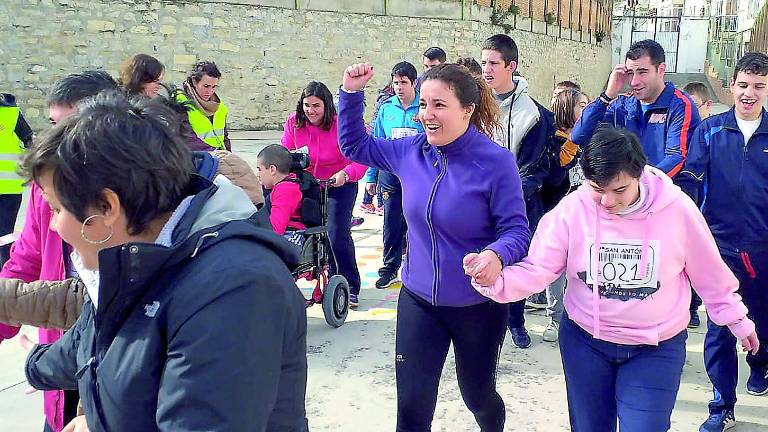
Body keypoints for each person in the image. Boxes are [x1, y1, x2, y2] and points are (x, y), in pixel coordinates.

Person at [23, 91, 309, 431]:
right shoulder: (136, 260)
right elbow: (91, 344)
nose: (54, 225)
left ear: (108, 206)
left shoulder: (234, 289)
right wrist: (35, 365)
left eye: (57, 209)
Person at [467, 126, 759, 432]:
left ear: (639, 174)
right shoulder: (571, 211)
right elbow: (539, 267)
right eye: (597, 188)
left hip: (655, 347)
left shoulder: (676, 209)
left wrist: (737, 319)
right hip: (586, 343)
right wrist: (496, 282)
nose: (607, 201)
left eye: (619, 190)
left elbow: (710, 273)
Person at [338, 62, 530, 431]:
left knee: (478, 396)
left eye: (439, 105)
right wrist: (350, 93)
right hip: (418, 300)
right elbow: (354, 145)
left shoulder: (495, 162)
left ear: (467, 109)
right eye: (424, 104)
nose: (427, 114)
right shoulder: (410, 151)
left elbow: (517, 232)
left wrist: (496, 254)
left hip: (478, 305)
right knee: (411, 407)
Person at [0, 70, 118, 432]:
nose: (61, 141)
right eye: (55, 125)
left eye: (74, 127)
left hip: (113, 367)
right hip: (60, 354)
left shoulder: (136, 194)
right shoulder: (44, 186)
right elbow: (26, 259)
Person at [678, 52, 768, 432]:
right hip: (718, 249)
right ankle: (721, 407)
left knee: (761, 322)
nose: (749, 93)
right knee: (719, 329)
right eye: (744, 85)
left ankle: (761, 363)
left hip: (764, 250)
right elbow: (691, 181)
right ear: (731, 86)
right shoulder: (710, 130)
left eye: (759, 86)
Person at [481, 33, 553, 348]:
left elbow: (536, 168)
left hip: (519, 204)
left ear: (511, 66)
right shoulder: (470, 106)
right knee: (479, 263)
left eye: (493, 63)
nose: (486, 69)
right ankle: (481, 326)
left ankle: (517, 322)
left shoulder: (534, 116)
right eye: (483, 62)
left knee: (514, 264)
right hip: (477, 202)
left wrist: (507, 195)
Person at [281, 81, 367, 307]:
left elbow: (359, 158)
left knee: (336, 232)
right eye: (307, 105)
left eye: (316, 106)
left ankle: (349, 283)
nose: (311, 111)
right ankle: (318, 274)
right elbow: (285, 154)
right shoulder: (294, 123)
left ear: (327, 105)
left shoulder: (340, 125)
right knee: (305, 230)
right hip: (308, 183)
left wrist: (346, 174)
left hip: (340, 182)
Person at [571, 39, 700, 181]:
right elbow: (579, 136)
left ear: (661, 70)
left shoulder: (680, 105)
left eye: (642, 72)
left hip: (661, 195)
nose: (634, 82)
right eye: (630, 73)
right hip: (625, 195)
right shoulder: (622, 105)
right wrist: (606, 96)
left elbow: (677, 157)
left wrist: (638, 187)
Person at [536, 87, 590, 343]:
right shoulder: (552, 140)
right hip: (557, 215)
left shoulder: (590, 139)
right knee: (556, 270)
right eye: (582, 105)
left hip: (587, 218)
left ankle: (581, 316)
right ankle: (554, 318)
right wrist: (569, 149)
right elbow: (553, 179)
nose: (587, 110)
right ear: (568, 108)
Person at [365, 61, 423, 289]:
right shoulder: (386, 109)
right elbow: (376, 144)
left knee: (417, 222)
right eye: (396, 83)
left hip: (418, 175)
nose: (399, 87)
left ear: (414, 83)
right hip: (390, 174)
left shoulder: (424, 107)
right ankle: (389, 268)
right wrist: (372, 177)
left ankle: (416, 267)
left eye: (404, 83)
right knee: (391, 222)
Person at [0, 93, 33, 267]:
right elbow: (29, 141)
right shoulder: (12, 113)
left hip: (10, 187)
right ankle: (6, 274)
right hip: (10, 187)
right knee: (5, 234)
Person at [176, 60, 232, 151]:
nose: (210, 92)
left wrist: (229, 156)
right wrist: (215, 154)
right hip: (194, 159)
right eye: (206, 86)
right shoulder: (180, 103)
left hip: (217, 158)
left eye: (214, 87)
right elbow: (187, 138)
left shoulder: (219, 107)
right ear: (194, 82)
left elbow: (224, 137)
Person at [257, 144, 305, 244]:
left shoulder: (286, 190)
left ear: (272, 169)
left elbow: (276, 229)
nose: (258, 175)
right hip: (284, 233)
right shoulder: (281, 187)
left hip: (291, 235)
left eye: (259, 169)